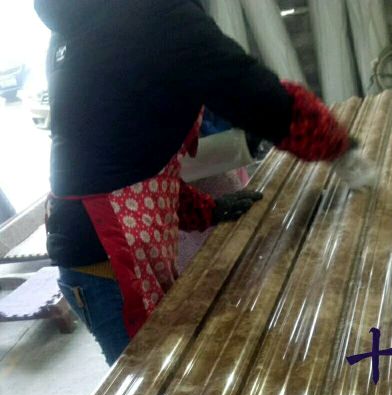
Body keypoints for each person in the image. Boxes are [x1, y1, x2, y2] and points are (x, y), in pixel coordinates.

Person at [35, 0, 360, 365]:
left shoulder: (87, 22)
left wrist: (205, 209)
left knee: (166, 371)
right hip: (108, 258)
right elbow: (244, 86)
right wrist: (335, 144)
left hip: (95, 243)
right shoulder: (152, 12)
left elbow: (121, 149)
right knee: (149, 383)